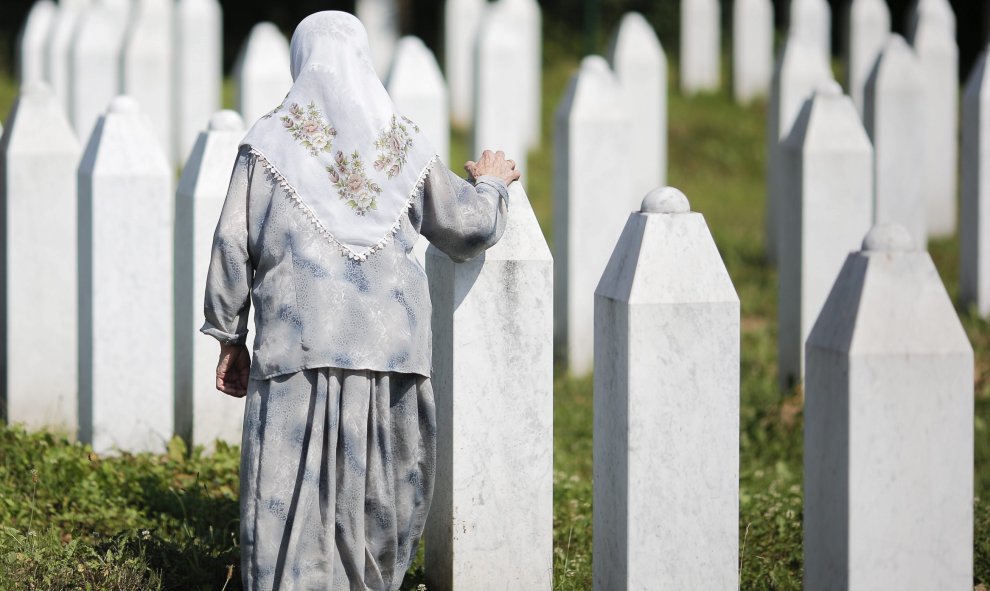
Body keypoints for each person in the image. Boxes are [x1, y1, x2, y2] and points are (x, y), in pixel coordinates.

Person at [201, 11, 520, 591]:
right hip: (392, 352)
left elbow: (230, 243)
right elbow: (467, 228)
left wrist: (229, 335)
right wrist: (493, 185)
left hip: (294, 350)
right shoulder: (405, 145)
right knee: (380, 496)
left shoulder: (266, 144)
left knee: (287, 499)